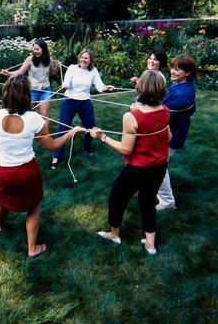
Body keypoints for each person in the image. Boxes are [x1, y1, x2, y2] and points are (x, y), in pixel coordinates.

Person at [0, 75, 85, 258]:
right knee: (32, 206)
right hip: (27, 172)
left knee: (2, 200)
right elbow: (52, 147)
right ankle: (32, 248)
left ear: (6, 93)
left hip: (3, 171)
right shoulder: (34, 119)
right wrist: (71, 132)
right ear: (26, 95)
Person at [90, 70, 171, 255]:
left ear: (141, 87)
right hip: (159, 167)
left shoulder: (131, 117)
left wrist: (102, 137)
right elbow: (169, 137)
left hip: (137, 169)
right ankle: (150, 245)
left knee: (117, 198)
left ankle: (114, 234)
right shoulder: (165, 111)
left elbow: (126, 149)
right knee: (148, 201)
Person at [50, 49, 114, 169]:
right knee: (63, 127)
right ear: (79, 58)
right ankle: (57, 156)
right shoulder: (72, 68)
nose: (83, 60)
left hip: (85, 101)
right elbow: (67, 81)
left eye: (86, 58)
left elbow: (99, 86)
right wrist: (65, 85)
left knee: (90, 126)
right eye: (82, 57)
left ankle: (86, 147)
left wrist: (106, 88)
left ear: (90, 60)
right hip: (69, 100)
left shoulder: (93, 71)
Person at [156, 54, 197, 211]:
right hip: (169, 132)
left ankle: (167, 201)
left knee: (159, 166)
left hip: (172, 136)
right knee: (158, 164)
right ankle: (159, 192)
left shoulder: (183, 94)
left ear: (187, 73)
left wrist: (140, 111)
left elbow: (160, 115)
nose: (172, 71)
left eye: (177, 69)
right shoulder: (179, 85)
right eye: (172, 67)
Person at [1, 39, 60, 126]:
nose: (35, 51)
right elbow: (20, 72)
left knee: (44, 114)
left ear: (43, 49)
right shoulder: (30, 59)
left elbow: (51, 73)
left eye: (37, 49)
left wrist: (57, 68)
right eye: (34, 49)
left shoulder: (49, 60)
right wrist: (8, 73)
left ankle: (44, 135)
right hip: (32, 90)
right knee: (29, 113)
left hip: (46, 90)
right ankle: (29, 131)